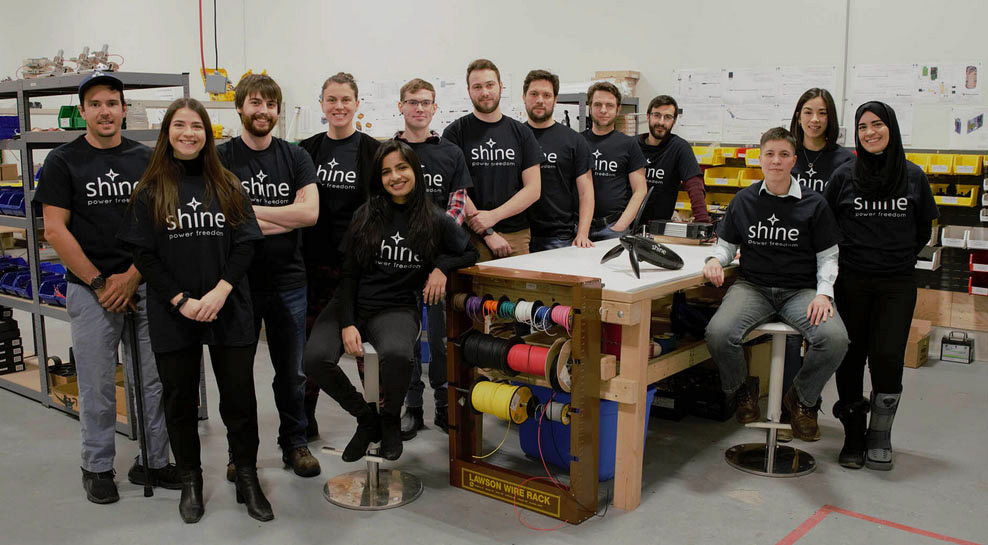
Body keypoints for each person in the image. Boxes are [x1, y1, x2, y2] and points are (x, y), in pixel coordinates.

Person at [118, 98, 270, 523]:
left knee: (239, 400)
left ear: (207, 133)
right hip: (173, 310)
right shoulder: (150, 189)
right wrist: (180, 300)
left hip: (228, 305)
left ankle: (247, 478)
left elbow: (245, 244)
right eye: (180, 125)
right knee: (179, 401)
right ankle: (190, 481)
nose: (189, 133)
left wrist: (220, 292)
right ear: (168, 132)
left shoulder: (228, 184)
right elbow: (145, 256)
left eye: (197, 126)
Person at [36, 71, 179, 505]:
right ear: (83, 112)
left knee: (153, 381)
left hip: (143, 283)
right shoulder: (62, 161)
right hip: (90, 289)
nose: (105, 111)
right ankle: (97, 466)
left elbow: (161, 222)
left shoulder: (146, 158)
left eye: (112, 103)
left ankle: (154, 460)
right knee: (97, 384)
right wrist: (100, 283)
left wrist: (132, 276)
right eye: (95, 104)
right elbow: (55, 231)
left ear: (123, 109)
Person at [304, 140, 478, 462]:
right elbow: (348, 275)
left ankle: (389, 420)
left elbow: (470, 251)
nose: (395, 176)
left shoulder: (435, 219)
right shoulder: (366, 215)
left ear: (415, 170)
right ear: (378, 178)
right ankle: (366, 418)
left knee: (398, 355)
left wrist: (441, 268)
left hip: (397, 307)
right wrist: (347, 322)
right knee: (314, 359)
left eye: (402, 168)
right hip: (353, 302)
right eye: (386, 172)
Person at [703, 127, 848, 442]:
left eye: (784, 155)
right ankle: (743, 388)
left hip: (801, 291)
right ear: (760, 158)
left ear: (794, 160)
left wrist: (824, 295)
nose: (776, 161)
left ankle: (802, 399)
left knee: (834, 339)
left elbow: (828, 257)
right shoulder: (744, 201)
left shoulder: (815, 204)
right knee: (718, 332)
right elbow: (726, 247)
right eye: (770, 154)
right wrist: (715, 260)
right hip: (753, 287)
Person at [823, 102, 938, 470]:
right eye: (862, 127)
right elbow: (825, 225)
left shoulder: (914, 177)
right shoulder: (843, 176)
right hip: (851, 281)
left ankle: (880, 433)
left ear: (891, 128)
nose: (870, 132)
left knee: (888, 357)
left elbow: (923, 230)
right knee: (851, 355)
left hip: (897, 283)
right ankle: (854, 433)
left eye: (877, 124)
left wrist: (894, 255)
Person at [217, 74, 321, 478]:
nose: (263, 111)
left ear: (278, 111)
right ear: (240, 107)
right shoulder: (221, 158)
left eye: (271, 105)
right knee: (236, 375)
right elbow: (222, 219)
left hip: (289, 281)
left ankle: (294, 444)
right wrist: (285, 217)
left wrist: (250, 214)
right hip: (237, 283)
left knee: (292, 372)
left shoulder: (295, 157)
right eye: (255, 103)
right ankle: (238, 453)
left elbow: (309, 215)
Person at [298, 73, 381, 439]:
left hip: (360, 266)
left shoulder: (373, 152)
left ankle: (375, 418)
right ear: (322, 105)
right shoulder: (306, 150)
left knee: (363, 348)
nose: (339, 107)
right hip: (315, 266)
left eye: (346, 99)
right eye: (331, 100)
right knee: (312, 345)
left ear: (357, 104)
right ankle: (305, 419)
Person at [393, 78, 473, 438]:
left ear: (435, 108)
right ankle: (412, 408)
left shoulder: (450, 153)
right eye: (412, 102)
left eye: (426, 102)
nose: (419, 108)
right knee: (407, 339)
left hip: (441, 261)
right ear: (401, 107)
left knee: (441, 339)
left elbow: (457, 206)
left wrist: (438, 256)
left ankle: (443, 405)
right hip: (400, 262)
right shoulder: (389, 153)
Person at [778, 88, 856, 441]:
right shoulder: (786, 151)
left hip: (828, 260)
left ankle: (805, 401)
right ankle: (785, 411)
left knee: (823, 336)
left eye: (822, 113)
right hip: (787, 257)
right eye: (807, 111)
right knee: (790, 342)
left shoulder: (844, 159)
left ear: (831, 118)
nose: (814, 119)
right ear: (798, 115)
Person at [443, 58, 542, 260]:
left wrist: (493, 217)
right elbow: (454, 189)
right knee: (471, 292)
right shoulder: (455, 132)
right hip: (471, 236)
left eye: (490, 85)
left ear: (501, 86)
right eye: (477, 87)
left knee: (519, 292)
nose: (485, 92)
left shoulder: (521, 133)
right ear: (469, 91)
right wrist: (487, 231)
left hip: (516, 235)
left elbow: (533, 189)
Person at [522, 69, 595, 251]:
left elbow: (586, 193)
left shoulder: (574, 140)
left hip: (558, 236)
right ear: (524, 97)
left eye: (546, 95)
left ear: (555, 100)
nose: (540, 100)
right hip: (518, 234)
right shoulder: (514, 136)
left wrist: (583, 234)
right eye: (534, 94)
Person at [582, 81, 647, 241]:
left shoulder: (629, 144)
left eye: (609, 105)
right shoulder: (577, 142)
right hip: (580, 228)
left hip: (613, 227)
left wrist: (621, 226)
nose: (603, 110)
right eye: (598, 104)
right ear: (589, 107)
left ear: (618, 109)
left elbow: (640, 190)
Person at [637, 94, 710, 224]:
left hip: (659, 226)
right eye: (657, 115)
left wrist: (703, 222)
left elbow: (695, 186)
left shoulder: (679, 147)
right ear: (648, 116)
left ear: (674, 121)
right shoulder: (632, 145)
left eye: (668, 117)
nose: (661, 122)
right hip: (626, 224)